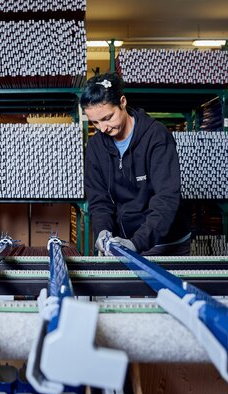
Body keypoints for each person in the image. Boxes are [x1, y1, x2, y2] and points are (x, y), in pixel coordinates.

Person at [81, 72, 191, 256]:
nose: (103, 128)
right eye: (95, 122)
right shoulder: (96, 146)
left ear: (122, 102)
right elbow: (99, 200)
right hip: (123, 241)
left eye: (108, 118)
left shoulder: (156, 137)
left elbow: (166, 199)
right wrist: (103, 232)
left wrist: (136, 243)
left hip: (163, 241)